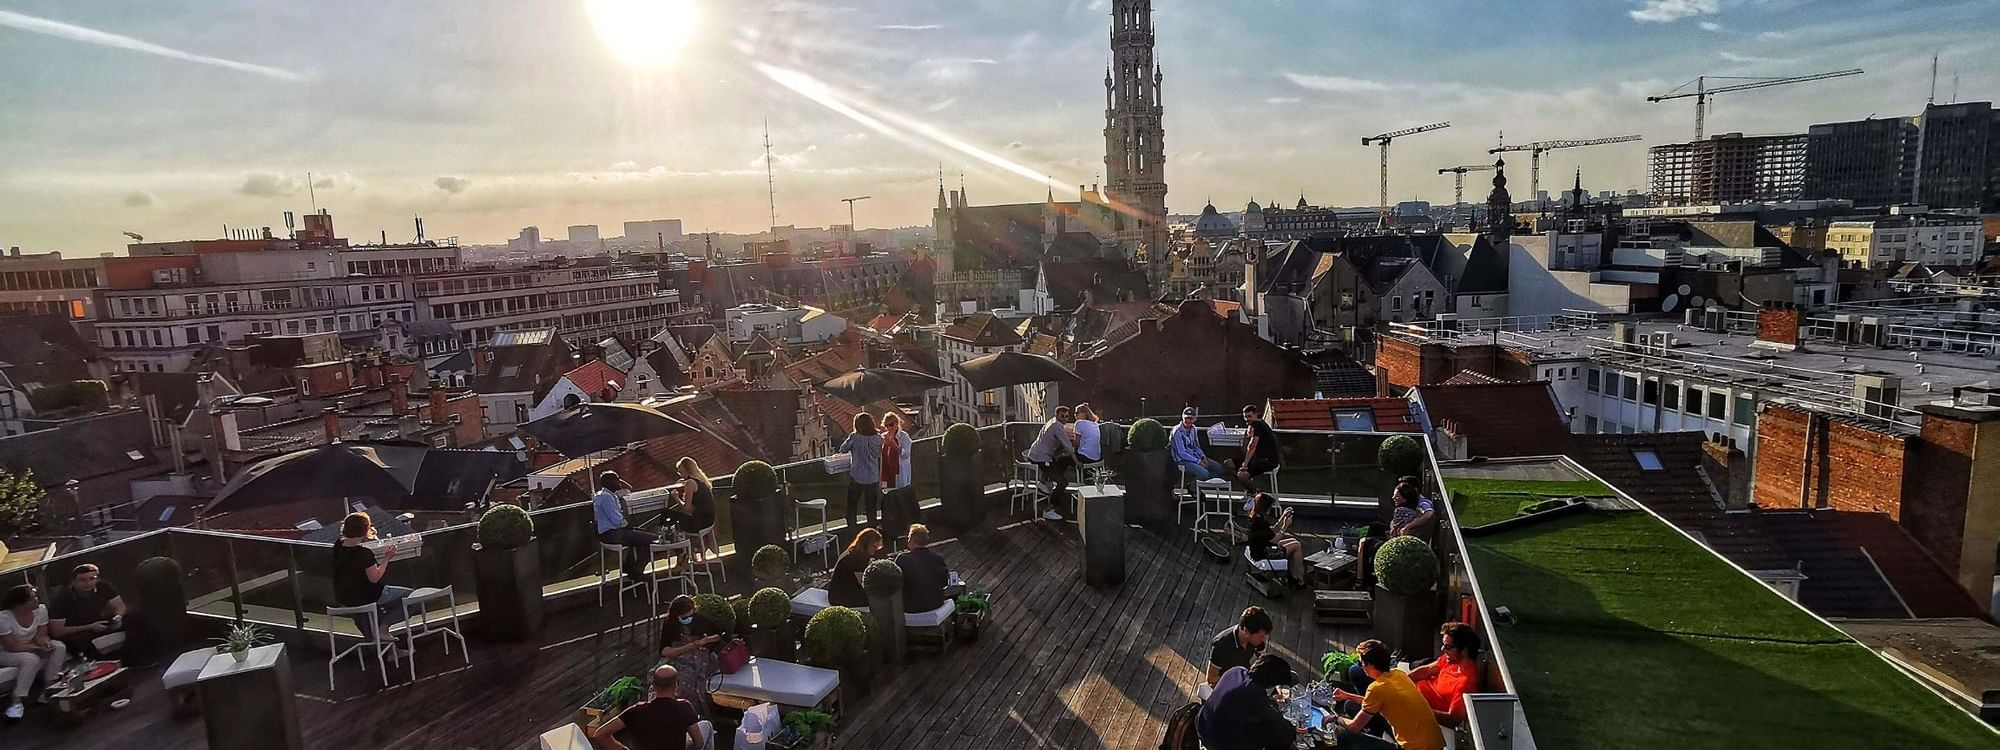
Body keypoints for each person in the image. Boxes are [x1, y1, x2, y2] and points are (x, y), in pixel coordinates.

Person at [1330, 640, 1445, 750]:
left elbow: (1354, 728)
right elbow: (1374, 702)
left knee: (1344, 737)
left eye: (1361, 663)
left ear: (1370, 665)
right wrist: (1347, 696)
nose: (1361, 667)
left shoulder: (1376, 688)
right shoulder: (1399, 675)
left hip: (1414, 748)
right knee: (1351, 705)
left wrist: (1335, 718)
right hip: (1436, 745)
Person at [331, 512, 413, 655]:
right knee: (411, 597)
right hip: (369, 595)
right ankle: (384, 627)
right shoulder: (364, 554)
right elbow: (375, 577)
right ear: (365, 529)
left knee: (372, 615)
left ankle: (391, 652)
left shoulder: (338, 545)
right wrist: (387, 558)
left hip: (346, 597)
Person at [1196, 653, 1303, 750]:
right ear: (1270, 683)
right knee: (1278, 735)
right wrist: (1293, 730)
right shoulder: (1255, 697)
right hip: (1218, 742)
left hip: (1202, 724)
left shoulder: (1237, 670)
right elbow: (1276, 723)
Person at [589, 664, 707, 750]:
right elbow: (699, 743)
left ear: (653, 686)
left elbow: (600, 734)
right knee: (707, 726)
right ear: (675, 686)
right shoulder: (684, 708)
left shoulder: (636, 710)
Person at [0, 584, 67, 720]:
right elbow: (12, 646)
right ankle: (17, 702)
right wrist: (37, 649)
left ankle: (49, 689)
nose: (37, 599)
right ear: (19, 604)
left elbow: (41, 635)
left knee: (58, 647)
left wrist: (45, 643)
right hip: (7, 652)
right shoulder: (3, 618)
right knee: (30, 659)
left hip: (33, 645)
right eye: (32, 598)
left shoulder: (41, 610)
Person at [48, 563, 138, 661]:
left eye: (92, 579)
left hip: (101, 622)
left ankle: (136, 655)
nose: (88, 583)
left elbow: (120, 607)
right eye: (82, 580)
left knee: (135, 619)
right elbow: (57, 631)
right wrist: (90, 627)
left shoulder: (103, 586)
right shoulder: (62, 598)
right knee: (79, 640)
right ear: (73, 582)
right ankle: (97, 663)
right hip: (79, 630)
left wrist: (118, 618)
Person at [655, 595, 722, 712]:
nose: (689, 618)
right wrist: (690, 646)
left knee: (687, 681)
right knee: (660, 676)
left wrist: (705, 641)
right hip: (678, 655)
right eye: (685, 617)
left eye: (691, 615)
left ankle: (688, 711)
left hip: (699, 656)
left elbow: (718, 635)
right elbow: (664, 650)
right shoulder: (670, 624)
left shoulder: (700, 620)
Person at [1410, 623, 1480, 728]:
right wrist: (1401, 680)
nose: (1443, 649)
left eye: (1448, 646)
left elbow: (1452, 719)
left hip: (1418, 714)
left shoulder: (1466, 683)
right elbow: (1427, 670)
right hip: (1410, 694)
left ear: (1464, 651)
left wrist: (1417, 709)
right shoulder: (1450, 659)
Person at [595, 471, 658, 581]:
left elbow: (628, 489)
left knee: (641, 535)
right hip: (612, 534)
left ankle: (629, 567)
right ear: (609, 482)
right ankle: (636, 570)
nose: (619, 482)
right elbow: (617, 520)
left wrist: (631, 529)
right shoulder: (607, 497)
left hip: (607, 534)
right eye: (616, 480)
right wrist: (629, 526)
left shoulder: (604, 495)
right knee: (652, 539)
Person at [1025, 405, 1077, 521]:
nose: (1064, 419)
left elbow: (1061, 445)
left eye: (1066, 417)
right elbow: (1068, 447)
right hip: (1041, 459)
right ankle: (1048, 510)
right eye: (1062, 416)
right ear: (1056, 415)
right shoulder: (1057, 427)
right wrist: (1077, 462)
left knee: (1064, 461)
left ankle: (1045, 480)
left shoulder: (1052, 422)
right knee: (1063, 482)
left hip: (1035, 455)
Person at [1246, 493, 1307, 588]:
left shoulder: (1255, 517)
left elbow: (1271, 531)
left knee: (1295, 542)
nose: (1271, 509)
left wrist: (1283, 517)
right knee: (1296, 545)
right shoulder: (1259, 523)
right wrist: (1285, 526)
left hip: (1261, 548)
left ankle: (1295, 575)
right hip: (1264, 554)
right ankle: (1298, 578)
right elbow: (1274, 540)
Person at [1206, 605, 1274, 686]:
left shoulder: (1257, 642)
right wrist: (1238, 681)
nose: (1264, 640)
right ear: (1246, 631)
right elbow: (1211, 678)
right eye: (1260, 636)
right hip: (1226, 684)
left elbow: (1261, 657)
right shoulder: (1221, 645)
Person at [840, 413, 885, 528]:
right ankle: (872, 530)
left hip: (857, 477)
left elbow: (843, 449)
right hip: (873, 477)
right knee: (871, 508)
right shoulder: (879, 438)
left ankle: (852, 529)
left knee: (852, 505)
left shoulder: (855, 437)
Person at [895, 524, 949, 614]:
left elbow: (895, 584)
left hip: (912, 609)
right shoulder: (938, 558)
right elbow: (944, 583)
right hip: (936, 605)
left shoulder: (902, 559)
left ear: (911, 540)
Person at [1226, 404, 1281, 492]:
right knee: (1228, 463)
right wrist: (1247, 436)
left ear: (1256, 415)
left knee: (1242, 475)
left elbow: (1252, 447)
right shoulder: (1253, 426)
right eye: (1245, 417)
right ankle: (1248, 485)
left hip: (1266, 461)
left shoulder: (1258, 424)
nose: (1247, 419)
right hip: (1255, 459)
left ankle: (1254, 494)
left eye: (1249, 416)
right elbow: (1244, 449)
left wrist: (1244, 466)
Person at [827, 527, 882, 608]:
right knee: (880, 597)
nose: (875, 550)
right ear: (865, 544)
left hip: (841, 592)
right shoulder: (857, 559)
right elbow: (864, 583)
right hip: (841, 597)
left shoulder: (853, 552)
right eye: (874, 547)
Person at [880, 412, 915, 537]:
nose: (889, 427)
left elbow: (906, 454)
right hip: (887, 473)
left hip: (900, 473)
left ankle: (905, 526)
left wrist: (894, 445)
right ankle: (891, 526)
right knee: (888, 499)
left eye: (892, 424)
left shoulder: (904, 437)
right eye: (887, 425)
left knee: (901, 500)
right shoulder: (884, 437)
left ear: (897, 424)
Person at [663, 458, 716, 536]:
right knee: (674, 515)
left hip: (700, 523)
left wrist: (676, 498)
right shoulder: (701, 481)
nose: (679, 473)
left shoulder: (690, 483)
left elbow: (686, 509)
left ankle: (670, 541)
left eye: (680, 471)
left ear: (687, 470)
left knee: (667, 515)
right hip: (709, 520)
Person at [1171, 407, 1226, 481]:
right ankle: (1194, 485)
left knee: (1218, 468)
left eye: (1191, 418)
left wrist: (1203, 457)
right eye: (1186, 418)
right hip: (1182, 460)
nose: (1188, 420)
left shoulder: (1193, 429)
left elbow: (1196, 446)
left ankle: (1197, 483)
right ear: (1182, 418)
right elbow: (1181, 453)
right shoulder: (1177, 431)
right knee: (1204, 474)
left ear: (1194, 419)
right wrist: (1199, 462)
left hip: (1195, 456)